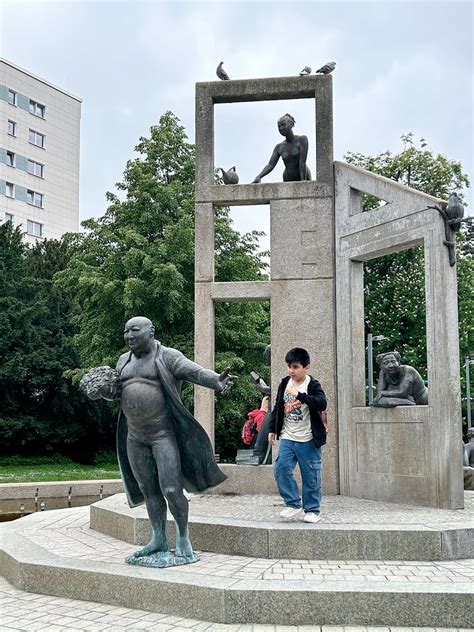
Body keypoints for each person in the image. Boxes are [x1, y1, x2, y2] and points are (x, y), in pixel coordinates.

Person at [86, 316, 234, 567]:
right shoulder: (123, 360)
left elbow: (194, 372)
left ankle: (184, 538)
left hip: (162, 434)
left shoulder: (167, 356)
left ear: (150, 331)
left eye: (134, 330)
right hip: (135, 437)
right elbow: (119, 393)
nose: (129, 335)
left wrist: (216, 382)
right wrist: (104, 392)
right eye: (126, 331)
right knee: (149, 490)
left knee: (171, 489)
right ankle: (158, 539)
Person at [268, 347, 327, 523]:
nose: (291, 371)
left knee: (311, 475)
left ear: (306, 367)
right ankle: (293, 503)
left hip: (308, 438)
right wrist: (273, 428)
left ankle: (313, 510)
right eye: (289, 366)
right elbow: (278, 407)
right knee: (281, 469)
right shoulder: (284, 382)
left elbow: (322, 403)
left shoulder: (312, 385)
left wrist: (300, 395)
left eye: (295, 367)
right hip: (288, 435)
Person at [252, 113, 311, 183]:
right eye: (279, 126)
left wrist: (303, 182)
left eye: (283, 125)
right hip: (288, 177)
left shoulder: (302, 140)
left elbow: (302, 163)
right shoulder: (279, 147)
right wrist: (259, 176)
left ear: (291, 124)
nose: (281, 128)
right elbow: (270, 165)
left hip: (303, 174)